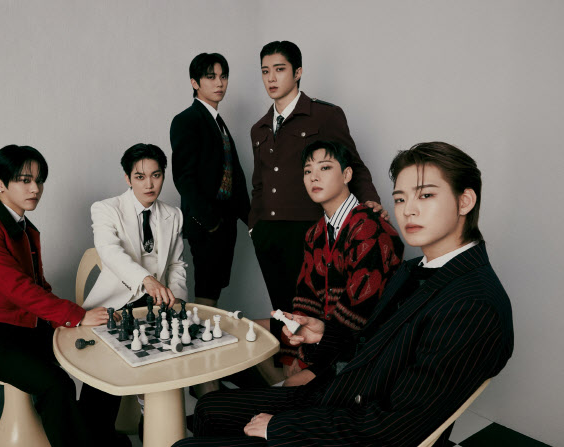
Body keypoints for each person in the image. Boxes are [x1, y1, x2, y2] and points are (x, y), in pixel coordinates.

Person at [174, 141, 514, 446]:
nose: (408, 209)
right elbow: (369, 342)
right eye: (400, 198)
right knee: (208, 408)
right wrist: (321, 335)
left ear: (465, 200)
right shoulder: (415, 270)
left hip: (353, 419)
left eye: (425, 195)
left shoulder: (473, 304)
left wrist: (281, 428)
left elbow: (395, 427)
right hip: (341, 392)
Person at [0, 145, 107, 447]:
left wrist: (64, 321)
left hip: (29, 328)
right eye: (25, 180)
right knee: (56, 384)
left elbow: (38, 285)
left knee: (98, 357)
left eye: (39, 180)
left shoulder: (24, 227)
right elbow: (19, 289)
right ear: (0, 183)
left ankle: (99, 437)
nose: (35, 189)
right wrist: (75, 315)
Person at [249, 41, 384, 342]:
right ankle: (287, 370)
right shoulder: (259, 128)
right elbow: (259, 183)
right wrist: (254, 227)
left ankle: (313, 370)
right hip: (268, 233)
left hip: (309, 230)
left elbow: (354, 165)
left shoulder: (324, 115)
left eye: (279, 70)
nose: (271, 78)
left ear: (297, 72)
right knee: (283, 314)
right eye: (265, 71)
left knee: (311, 315)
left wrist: (371, 202)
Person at [78, 143, 187, 443]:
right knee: (102, 385)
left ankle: (151, 428)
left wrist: (177, 299)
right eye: (140, 177)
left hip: (156, 306)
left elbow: (177, 264)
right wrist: (147, 280)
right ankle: (96, 435)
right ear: (127, 178)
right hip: (116, 305)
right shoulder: (106, 209)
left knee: (161, 374)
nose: (149, 184)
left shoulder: (174, 215)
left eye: (156, 175)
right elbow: (110, 253)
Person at [272, 140, 403, 385]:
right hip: (327, 339)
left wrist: (305, 358)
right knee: (255, 337)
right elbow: (306, 296)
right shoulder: (314, 234)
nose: (314, 177)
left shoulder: (369, 227)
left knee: (287, 385)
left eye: (325, 168)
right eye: (308, 171)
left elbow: (359, 313)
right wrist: (292, 354)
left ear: (346, 174)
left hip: (367, 351)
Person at [170, 52, 250, 309]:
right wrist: (210, 222)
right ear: (194, 82)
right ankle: (203, 333)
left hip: (225, 222)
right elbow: (184, 177)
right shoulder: (187, 120)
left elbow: (232, 173)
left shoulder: (217, 121)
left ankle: (207, 331)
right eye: (211, 77)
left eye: (223, 77)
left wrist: (251, 220)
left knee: (214, 287)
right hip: (206, 223)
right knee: (207, 287)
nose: (219, 83)